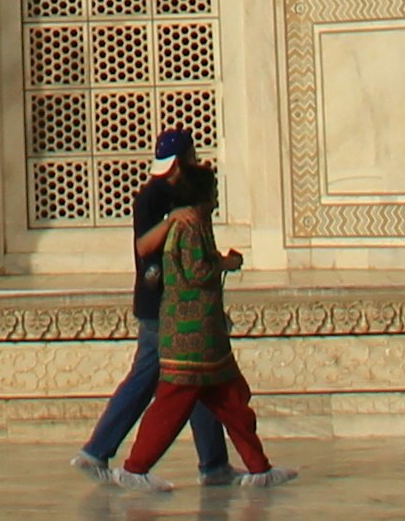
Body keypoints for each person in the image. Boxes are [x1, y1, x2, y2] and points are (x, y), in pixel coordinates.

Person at [112, 160, 294, 488]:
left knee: (232, 401)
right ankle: (135, 468)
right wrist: (226, 263)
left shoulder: (193, 223)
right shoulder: (191, 225)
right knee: (171, 407)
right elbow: (196, 272)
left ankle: (259, 468)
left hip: (206, 341)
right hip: (191, 341)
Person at [73, 130, 236, 481]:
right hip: (161, 305)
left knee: (195, 377)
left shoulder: (183, 194)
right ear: (181, 160)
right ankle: (99, 451)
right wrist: (173, 219)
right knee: (172, 376)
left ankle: (214, 463)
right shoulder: (153, 197)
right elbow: (145, 246)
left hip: (180, 304)